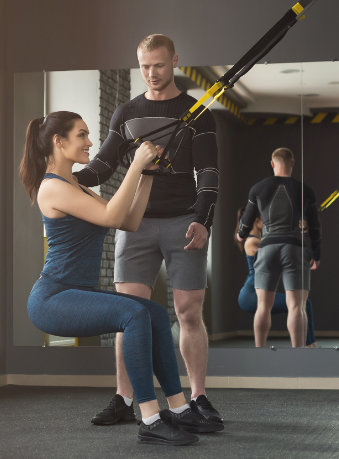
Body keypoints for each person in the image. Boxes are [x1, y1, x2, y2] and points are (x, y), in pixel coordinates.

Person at [20, 111, 222, 446]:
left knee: (155, 312)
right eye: (82, 135)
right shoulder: (51, 188)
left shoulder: (76, 185)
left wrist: (147, 176)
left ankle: (179, 408)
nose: (90, 142)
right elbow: (111, 214)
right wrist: (134, 164)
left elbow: (127, 221)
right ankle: (150, 418)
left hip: (74, 292)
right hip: (52, 298)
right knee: (134, 314)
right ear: (59, 142)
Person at [75, 34, 222, 424]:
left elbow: (208, 173)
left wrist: (203, 220)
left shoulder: (197, 113)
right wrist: (64, 178)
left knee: (188, 312)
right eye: (144, 66)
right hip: (134, 224)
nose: (151, 73)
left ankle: (198, 398)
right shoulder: (125, 113)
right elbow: (102, 166)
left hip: (183, 221)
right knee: (128, 313)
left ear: (175, 61)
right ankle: (125, 399)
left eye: (158, 65)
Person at [237, 148, 322, 348]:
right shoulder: (305, 190)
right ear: (292, 163)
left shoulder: (258, 188)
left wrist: (241, 234)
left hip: (267, 249)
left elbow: (247, 220)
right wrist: (316, 254)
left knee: (262, 307)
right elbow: (315, 226)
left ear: (272, 163)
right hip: (295, 249)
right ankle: (298, 355)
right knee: (297, 307)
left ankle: (260, 353)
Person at [235, 208, 317, 347]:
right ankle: (309, 346)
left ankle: (310, 345)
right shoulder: (252, 242)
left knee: (304, 304)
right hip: (250, 294)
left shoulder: (261, 240)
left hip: (258, 290)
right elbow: (278, 251)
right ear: (256, 220)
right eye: (265, 218)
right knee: (301, 305)